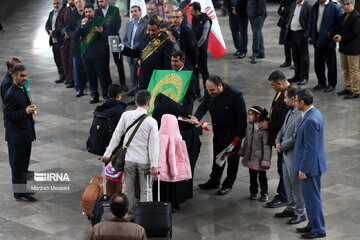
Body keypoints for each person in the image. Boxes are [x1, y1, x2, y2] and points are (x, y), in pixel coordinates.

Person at [101, 90, 159, 220]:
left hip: (128, 160)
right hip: (145, 161)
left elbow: (116, 135)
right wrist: (155, 165)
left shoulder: (126, 115)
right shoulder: (151, 122)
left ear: (136, 102)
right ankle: (145, 217)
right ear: (149, 103)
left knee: (127, 189)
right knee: (146, 190)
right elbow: (154, 145)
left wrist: (107, 153)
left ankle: (129, 214)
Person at [191, 75, 247, 195]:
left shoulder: (235, 95)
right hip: (218, 132)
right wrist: (197, 117)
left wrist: (239, 135)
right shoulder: (210, 93)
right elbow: (204, 106)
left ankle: (228, 183)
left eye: (212, 90)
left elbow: (242, 117)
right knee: (217, 158)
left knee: (232, 160)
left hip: (233, 136)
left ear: (220, 86)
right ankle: (214, 180)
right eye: (208, 90)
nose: (210, 93)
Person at [294, 89, 326, 239]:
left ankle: (319, 229)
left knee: (313, 199)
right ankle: (312, 224)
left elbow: (310, 148)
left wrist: (304, 169)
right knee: (309, 198)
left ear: (302, 102)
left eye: (296, 101)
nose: (295, 103)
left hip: (310, 167)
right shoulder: (314, 114)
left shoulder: (311, 120)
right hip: (313, 165)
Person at [4, 65, 36, 202]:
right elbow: (8, 115)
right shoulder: (11, 93)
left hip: (25, 134)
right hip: (16, 137)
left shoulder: (21, 89)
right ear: (14, 77)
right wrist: (25, 112)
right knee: (18, 166)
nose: (24, 78)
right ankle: (19, 194)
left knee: (24, 164)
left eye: (25, 75)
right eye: (21, 76)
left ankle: (23, 189)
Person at [274, 85, 306, 225]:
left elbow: (295, 137)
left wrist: (282, 146)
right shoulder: (290, 111)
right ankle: (291, 207)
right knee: (287, 183)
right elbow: (283, 128)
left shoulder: (300, 115)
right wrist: (277, 141)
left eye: (286, 97)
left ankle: (300, 212)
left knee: (296, 186)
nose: (284, 100)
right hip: (285, 155)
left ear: (293, 99)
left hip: (293, 156)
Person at [259, 70, 290, 208]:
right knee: (281, 167)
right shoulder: (280, 92)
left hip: (283, 138)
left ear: (280, 83)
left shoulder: (288, 96)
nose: (272, 87)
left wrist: (269, 124)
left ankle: (284, 196)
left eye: (273, 85)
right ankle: (284, 194)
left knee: (283, 168)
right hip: (278, 137)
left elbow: (284, 120)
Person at [120, 19, 174, 90]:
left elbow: (167, 64)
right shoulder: (145, 37)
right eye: (149, 30)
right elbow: (138, 53)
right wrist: (124, 49)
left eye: (153, 30)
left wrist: (165, 81)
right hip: (143, 77)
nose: (151, 32)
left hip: (156, 78)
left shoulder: (166, 42)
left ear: (159, 29)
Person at [74, 4, 110, 104]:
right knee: (91, 77)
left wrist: (102, 31)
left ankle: (105, 94)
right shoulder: (81, 22)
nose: (88, 14)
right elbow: (76, 36)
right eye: (86, 12)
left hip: (99, 54)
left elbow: (108, 34)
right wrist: (81, 26)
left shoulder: (100, 21)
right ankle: (94, 95)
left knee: (102, 76)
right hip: (86, 54)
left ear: (94, 11)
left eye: (89, 11)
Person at [306, 0, 342, 93]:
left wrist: (331, 31)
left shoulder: (334, 7)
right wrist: (309, 35)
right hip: (317, 40)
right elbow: (311, 21)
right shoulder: (315, 6)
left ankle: (331, 84)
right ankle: (321, 83)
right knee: (318, 64)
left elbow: (339, 22)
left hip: (328, 41)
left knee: (331, 65)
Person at [240, 106, 271, 202]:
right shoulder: (249, 126)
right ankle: (253, 192)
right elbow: (247, 140)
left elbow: (267, 146)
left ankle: (264, 193)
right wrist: (243, 150)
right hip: (250, 157)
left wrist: (266, 160)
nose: (248, 117)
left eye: (250, 115)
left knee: (262, 177)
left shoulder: (263, 129)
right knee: (252, 176)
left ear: (257, 116)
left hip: (260, 158)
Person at [96, 0, 128, 92]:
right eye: (98, 1)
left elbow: (117, 25)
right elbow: (97, 26)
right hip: (103, 40)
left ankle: (123, 83)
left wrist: (107, 34)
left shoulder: (114, 10)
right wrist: (104, 35)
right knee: (105, 63)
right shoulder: (97, 12)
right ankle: (109, 83)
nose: (99, 3)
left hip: (114, 38)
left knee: (119, 62)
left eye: (101, 1)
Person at [333, 0, 360, 99]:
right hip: (344, 47)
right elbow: (341, 28)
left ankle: (356, 90)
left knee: (353, 70)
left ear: (353, 4)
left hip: (353, 48)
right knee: (346, 69)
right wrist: (337, 34)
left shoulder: (356, 17)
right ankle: (348, 88)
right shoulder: (344, 16)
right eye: (344, 4)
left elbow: (355, 32)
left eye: (348, 4)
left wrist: (342, 38)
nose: (346, 6)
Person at [123, 5, 147, 96]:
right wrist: (128, 47)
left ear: (140, 12)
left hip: (139, 53)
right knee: (132, 74)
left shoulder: (145, 24)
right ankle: (134, 90)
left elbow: (144, 39)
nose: (133, 13)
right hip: (130, 53)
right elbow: (125, 39)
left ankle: (141, 93)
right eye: (132, 11)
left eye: (135, 11)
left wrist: (133, 47)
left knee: (141, 75)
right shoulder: (128, 24)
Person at [285, 0, 311, 85]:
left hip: (301, 34)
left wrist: (307, 34)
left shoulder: (308, 6)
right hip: (293, 33)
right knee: (295, 56)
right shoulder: (293, 5)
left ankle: (304, 77)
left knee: (304, 57)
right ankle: (297, 75)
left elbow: (310, 22)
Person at [190, 2, 212, 99]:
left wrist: (195, 47)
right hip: (195, 50)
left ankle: (207, 94)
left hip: (201, 50)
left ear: (197, 10)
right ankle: (196, 92)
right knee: (194, 71)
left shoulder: (206, 20)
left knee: (204, 72)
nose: (190, 13)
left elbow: (204, 37)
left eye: (191, 11)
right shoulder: (194, 18)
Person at [67, 0, 87, 97]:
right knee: (77, 68)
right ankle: (79, 88)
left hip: (88, 46)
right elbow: (68, 30)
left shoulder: (89, 13)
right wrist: (75, 36)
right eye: (76, 2)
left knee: (88, 68)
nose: (78, 4)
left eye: (80, 1)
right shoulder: (72, 16)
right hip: (76, 46)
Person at [45, 0, 66, 84]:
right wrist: (49, 31)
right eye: (54, 3)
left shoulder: (64, 13)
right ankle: (61, 75)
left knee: (64, 59)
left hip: (62, 41)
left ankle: (67, 76)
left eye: (57, 3)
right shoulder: (51, 13)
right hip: (54, 41)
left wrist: (54, 33)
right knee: (57, 59)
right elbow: (47, 25)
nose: (55, 5)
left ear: (61, 3)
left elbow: (64, 27)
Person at [171, 50, 197, 115]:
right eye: (172, 61)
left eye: (176, 61)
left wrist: (180, 102)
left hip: (184, 111)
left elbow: (192, 96)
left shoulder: (189, 76)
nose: (173, 64)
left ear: (183, 62)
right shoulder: (170, 74)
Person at [58, 0, 76, 88]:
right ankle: (69, 78)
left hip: (75, 39)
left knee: (73, 61)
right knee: (66, 59)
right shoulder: (65, 10)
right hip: (66, 40)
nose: (71, 1)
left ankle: (75, 79)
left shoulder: (79, 10)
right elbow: (60, 22)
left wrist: (71, 33)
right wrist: (64, 32)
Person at [278, 0, 294, 68]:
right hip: (285, 23)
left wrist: (284, 11)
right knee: (286, 43)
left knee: (294, 45)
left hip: (292, 23)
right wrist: (284, 11)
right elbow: (279, 11)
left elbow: (291, 12)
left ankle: (296, 63)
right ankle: (287, 61)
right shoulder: (285, 1)